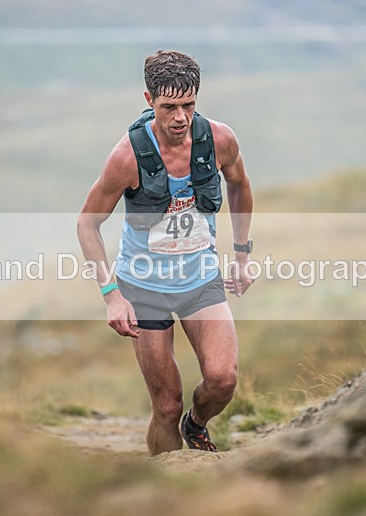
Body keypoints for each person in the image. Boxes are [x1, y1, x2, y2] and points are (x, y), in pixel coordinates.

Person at [77, 50, 254, 455]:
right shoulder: (127, 157)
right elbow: (87, 224)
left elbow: (240, 185)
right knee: (166, 406)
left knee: (222, 379)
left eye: (189, 105)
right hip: (143, 286)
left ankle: (198, 424)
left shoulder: (220, 139)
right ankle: (169, 491)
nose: (179, 117)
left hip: (200, 278)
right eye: (168, 106)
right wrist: (111, 295)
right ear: (148, 99)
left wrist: (242, 255)